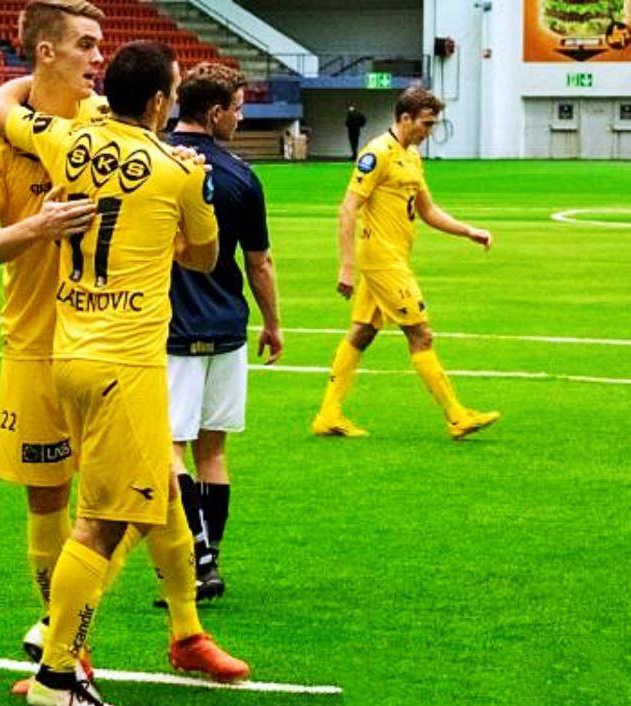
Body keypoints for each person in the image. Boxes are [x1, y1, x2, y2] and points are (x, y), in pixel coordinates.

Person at [0, 40, 251, 706]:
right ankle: (57, 670)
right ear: (159, 102)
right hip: (125, 365)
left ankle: (186, 634)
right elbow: (205, 257)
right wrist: (168, 221)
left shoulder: (67, 141)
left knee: (161, 494)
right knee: (102, 524)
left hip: (69, 354)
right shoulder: (178, 170)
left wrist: (47, 81)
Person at [0, 0, 109, 693]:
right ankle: (66, 644)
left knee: (147, 495)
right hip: (35, 349)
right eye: (85, 45)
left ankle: (181, 629)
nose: (98, 58)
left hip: (110, 342)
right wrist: (37, 229)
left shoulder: (103, 123)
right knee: (49, 502)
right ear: (46, 52)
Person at [156, 62, 282, 605]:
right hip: (227, 324)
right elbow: (259, 263)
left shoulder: (154, 160)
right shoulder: (241, 176)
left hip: (171, 327)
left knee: (170, 450)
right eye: (237, 108)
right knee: (213, 452)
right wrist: (272, 323)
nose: (240, 117)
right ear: (214, 113)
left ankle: (196, 561)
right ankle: (209, 559)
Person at [312, 86, 498, 440]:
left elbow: (428, 211)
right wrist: (346, 266)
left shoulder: (411, 156)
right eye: (425, 124)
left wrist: (468, 231)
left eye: (432, 124)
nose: (429, 132)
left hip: (395, 258)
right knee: (421, 334)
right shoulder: (377, 153)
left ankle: (328, 415)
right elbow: (348, 208)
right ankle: (457, 415)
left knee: (362, 332)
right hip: (382, 261)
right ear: (405, 118)